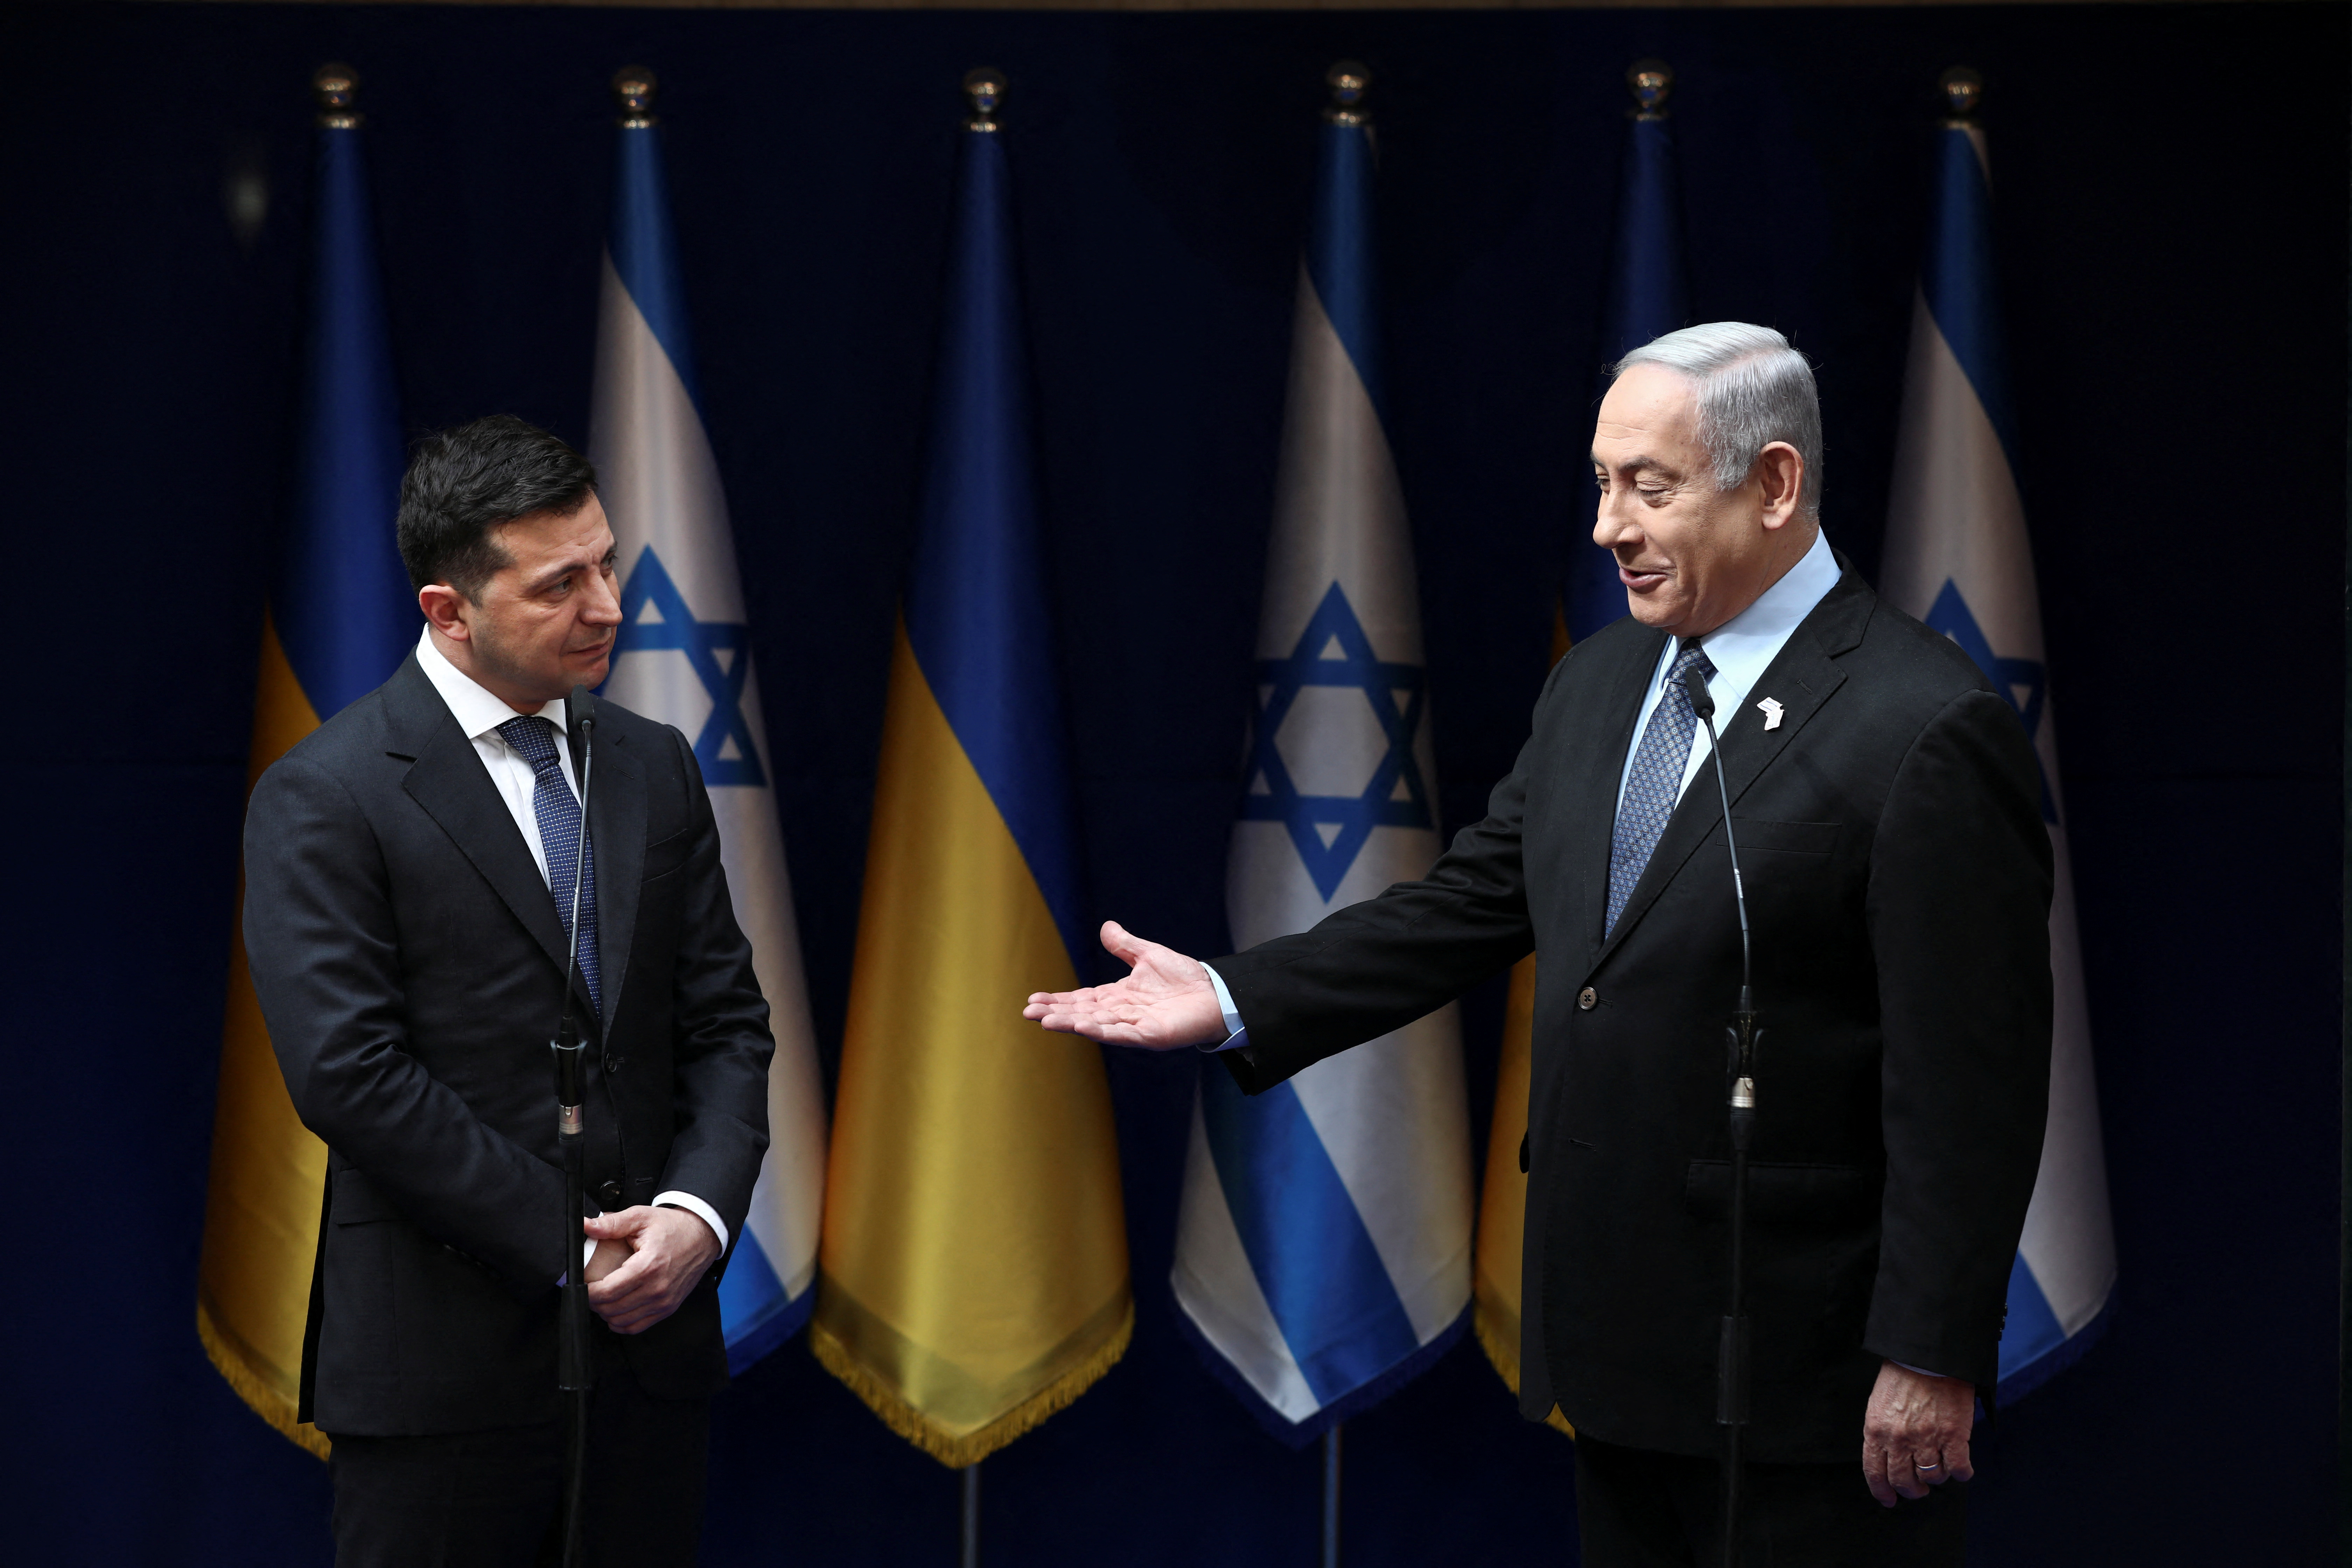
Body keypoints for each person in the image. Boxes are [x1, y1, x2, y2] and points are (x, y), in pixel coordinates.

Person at [1025, 323, 2052, 1566]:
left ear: (1775, 485)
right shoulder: (1604, 683)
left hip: (1810, 1374)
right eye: (1604, 482)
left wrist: (1931, 1350)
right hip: (1619, 1351)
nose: (1611, 525)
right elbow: (1472, 902)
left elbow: (1970, 1087)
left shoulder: (1924, 725)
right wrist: (1241, 995)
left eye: (1651, 487)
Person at [243, 415, 774, 1567]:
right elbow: (350, 1074)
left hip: (650, 1358)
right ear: (448, 610)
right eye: (561, 584)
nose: (609, 606)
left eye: (608, 561)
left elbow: (728, 1022)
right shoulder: (328, 794)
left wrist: (693, 1220)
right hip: (445, 1373)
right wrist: (569, 1247)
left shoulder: (653, 763)